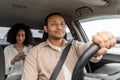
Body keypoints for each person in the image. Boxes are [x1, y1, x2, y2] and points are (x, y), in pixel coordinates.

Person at [21, 12, 116, 80]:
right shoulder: (34, 53)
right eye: (54, 24)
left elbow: (86, 47)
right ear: (46, 29)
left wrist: (95, 46)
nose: (59, 27)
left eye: (62, 24)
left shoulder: (74, 45)